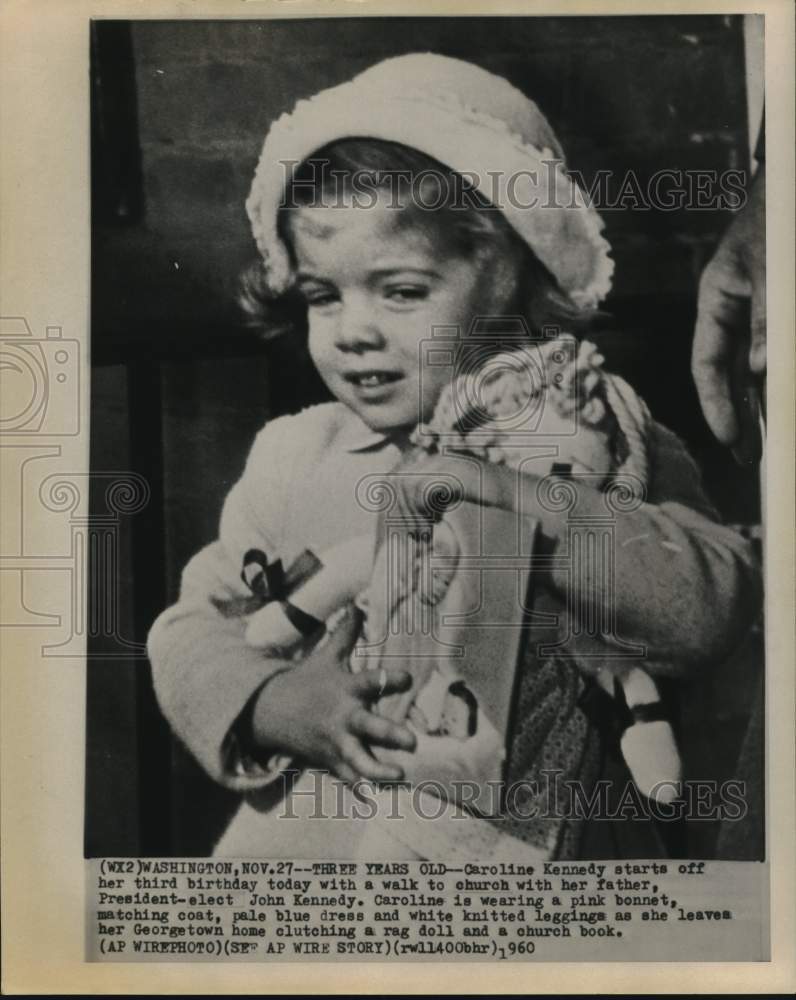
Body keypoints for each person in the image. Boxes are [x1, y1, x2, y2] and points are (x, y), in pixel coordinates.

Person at [147, 53, 761, 860]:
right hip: (324, 857)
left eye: (401, 291)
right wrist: (272, 701)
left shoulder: (597, 429)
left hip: (542, 868)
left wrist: (524, 501)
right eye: (323, 296)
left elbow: (714, 608)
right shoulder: (297, 453)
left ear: (512, 279)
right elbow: (193, 626)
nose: (352, 330)